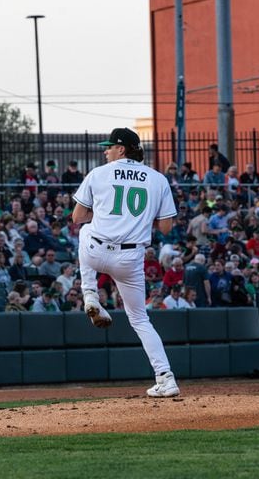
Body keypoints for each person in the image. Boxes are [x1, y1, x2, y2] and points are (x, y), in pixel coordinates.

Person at [72, 127, 180, 398]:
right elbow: (166, 228)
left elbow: (77, 216)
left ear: (122, 149)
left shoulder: (98, 173)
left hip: (96, 250)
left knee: (84, 231)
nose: (105, 150)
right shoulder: (158, 179)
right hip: (130, 258)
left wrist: (104, 216)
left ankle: (90, 295)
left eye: (109, 146)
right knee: (140, 319)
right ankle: (166, 378)